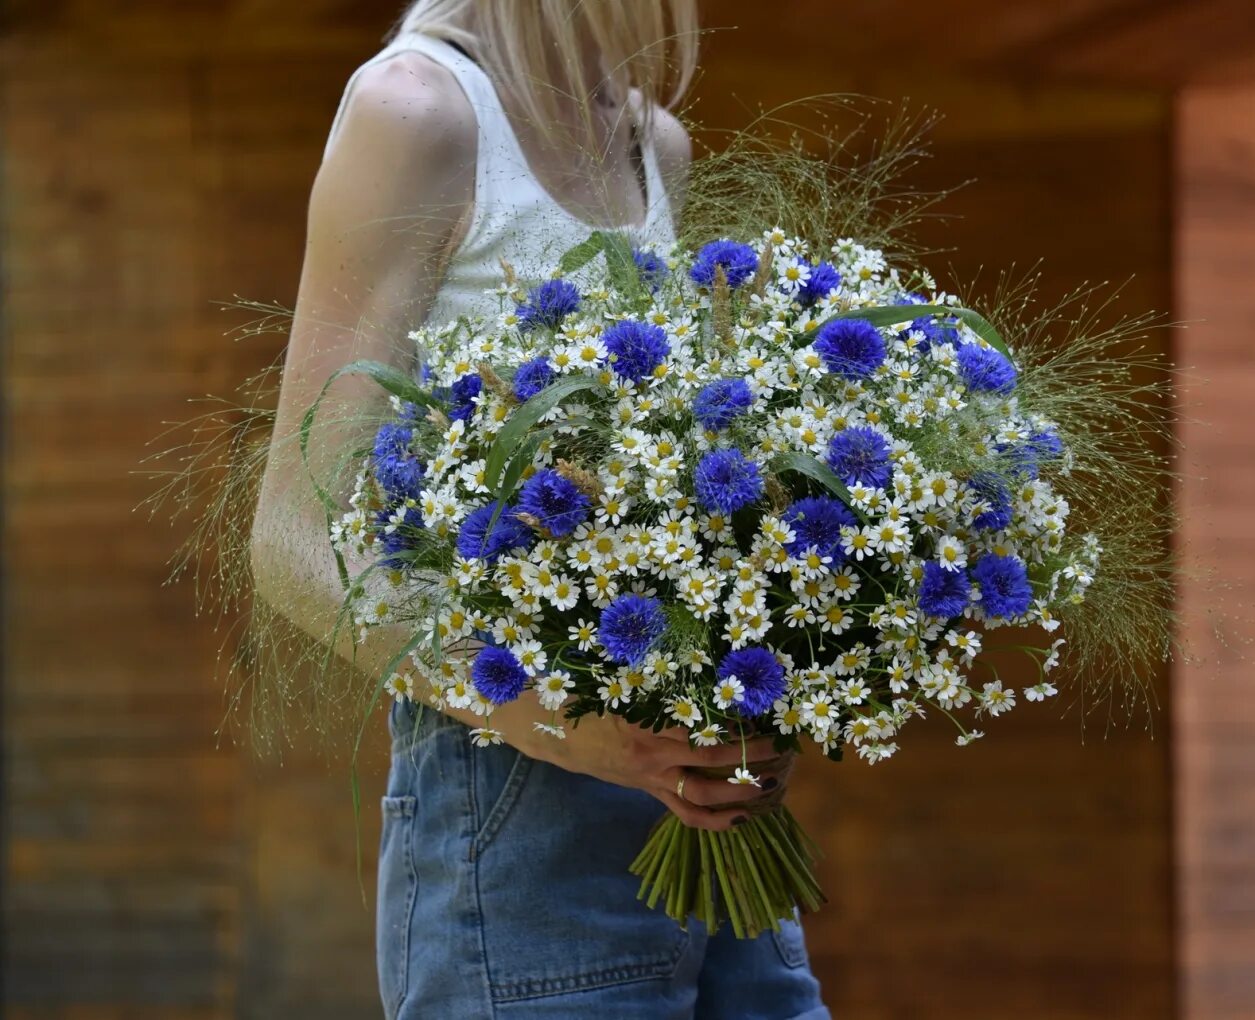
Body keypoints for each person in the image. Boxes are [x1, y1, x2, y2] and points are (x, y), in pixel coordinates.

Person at [248, 1, 829, 1016]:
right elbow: (296, 539)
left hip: (695, 802)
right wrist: (559, 726)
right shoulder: (419, 109)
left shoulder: (654, 143)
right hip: (508, 797)